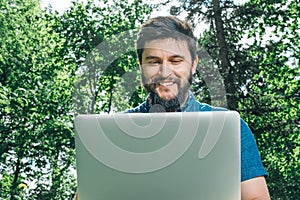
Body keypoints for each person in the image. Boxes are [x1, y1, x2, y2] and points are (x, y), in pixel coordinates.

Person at [74, 15, 270, 200]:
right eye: (154, 62)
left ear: (193, 65)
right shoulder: (113, 133)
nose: (165, 72)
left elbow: (256, 197)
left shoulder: (229, 129)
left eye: (175, 61)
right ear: (141, 67)